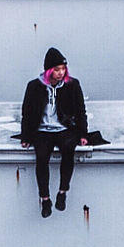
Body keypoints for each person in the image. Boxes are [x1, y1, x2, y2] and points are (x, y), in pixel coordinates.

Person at [19, 47, 90, 217]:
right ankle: (45, 199)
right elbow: (26, 112)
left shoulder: (72, 85)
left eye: (63, 69)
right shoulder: (34, 86)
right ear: (49, 70)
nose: (60, 73)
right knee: (42, 157)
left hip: (64, 128)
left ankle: (62, 192)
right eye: (57, 69)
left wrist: (83, 134)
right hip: (42, 129)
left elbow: (81, 111)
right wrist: (26, 136)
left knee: (68, 151)